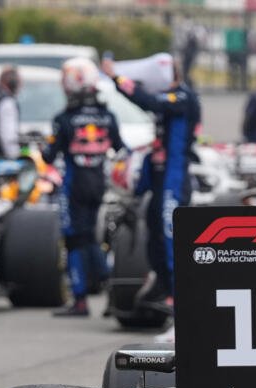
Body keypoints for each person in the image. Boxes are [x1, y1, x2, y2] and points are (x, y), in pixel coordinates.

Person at [102, 54, 201, 308]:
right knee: (154, 230)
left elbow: (148, 101)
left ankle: (181, 299)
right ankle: (162, 287)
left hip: (174, 178)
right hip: (158, 177)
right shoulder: (166, 96)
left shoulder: (183, 97)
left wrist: (116, 77)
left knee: (171, 235)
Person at [44, 58, 126, 317]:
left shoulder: (64, 119)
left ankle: (80, 300)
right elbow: (121, 148)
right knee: (91, 237)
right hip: (98, 183)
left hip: (75, 184)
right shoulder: (107, 115)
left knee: (74, 239)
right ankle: (114, 292)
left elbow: (48, 155)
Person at [224, 22, 249, 92]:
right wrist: (228, 51)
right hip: (232, 52)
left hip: (240, 52)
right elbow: (227, 42)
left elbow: (244, 42)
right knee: (232, 69)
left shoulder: (241, 32)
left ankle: (243, 85)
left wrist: (244, 50)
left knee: (243, 69)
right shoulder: (229, 32)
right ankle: (232, 85)